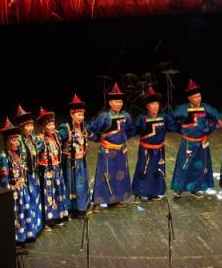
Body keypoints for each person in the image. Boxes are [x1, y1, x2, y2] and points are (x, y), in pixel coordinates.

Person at [170, 79, 222, 198]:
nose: (198, 99)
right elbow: (171, 120)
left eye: (199, 96)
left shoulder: (206, 108)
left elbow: (219, 118)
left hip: (201, 142)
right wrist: (181, 129)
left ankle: (196, 188)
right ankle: (178, 189)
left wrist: (209, 129)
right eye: (195, 97)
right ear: (189, 98)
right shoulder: (182, 109)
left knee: (199, 166)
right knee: (183, 165)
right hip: (187, 142)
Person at [88, 83, 134, 212]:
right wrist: (97, 139)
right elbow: (90, 128)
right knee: (104, 175)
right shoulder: (104, 116)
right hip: (107, 151)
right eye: (116, 101)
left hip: (121, 150)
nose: (119, 104)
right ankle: (98, 202)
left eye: (120, 102)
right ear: (110, 103)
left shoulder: (126, 115)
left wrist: (124, 139)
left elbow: (131, 129)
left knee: (119, 175)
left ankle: (116, 199)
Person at [132, 87, 178, 200]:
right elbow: (133, 131)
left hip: (159, 150)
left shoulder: (164, 117)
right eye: (152, 104)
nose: (155, 106)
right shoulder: (142, 118)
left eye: (157, 104)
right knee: (144, 169)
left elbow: (174, 127)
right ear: (147, 106)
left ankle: (153, 193)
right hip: (146, 150)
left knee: (157, 170)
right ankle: (139, 192)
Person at [0, 118, 37, 244]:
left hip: (22, 190)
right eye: (14, 140)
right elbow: (3, 180)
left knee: (23, 213)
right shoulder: (3, 157)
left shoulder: (18, 155)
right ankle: (15, 238)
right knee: (15, 215)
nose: (17, 143)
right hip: (12, 192)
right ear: (7, 142)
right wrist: (9, 192)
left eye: (17, 140)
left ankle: (24, 235)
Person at [57, 94, 90, 218]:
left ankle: (81, 208)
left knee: (81, 185)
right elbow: (57, 139)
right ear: (72, 114)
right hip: (69, 163)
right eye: (78, 115)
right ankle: (69, 209)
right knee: (70, 185)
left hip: (81, 161)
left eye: (82, 115)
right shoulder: (65, 128)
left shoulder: (83, 127)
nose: (81, 117)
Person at [36, 107, 69, 229]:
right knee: (48, 195)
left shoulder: (56, 136)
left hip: (57, 169)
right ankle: (47, 221)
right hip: (46, 172)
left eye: (53, 124)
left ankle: (58, 216)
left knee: (59, 192)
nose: (52, 127)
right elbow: (35, 154)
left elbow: (65, 129)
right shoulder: (40, 140)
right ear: (43, 127)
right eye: (49, 125)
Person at [14, 105, 44, 235]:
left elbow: (41, 147)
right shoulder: (19, 142)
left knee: (36, 198)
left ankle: (37, 225)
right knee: (29, 201)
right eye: (27, 126)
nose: (30, 128)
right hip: (25, 176)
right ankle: (29, 228)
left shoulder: (33, 138)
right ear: (22, 127)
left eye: (31, 125)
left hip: (35, 174)